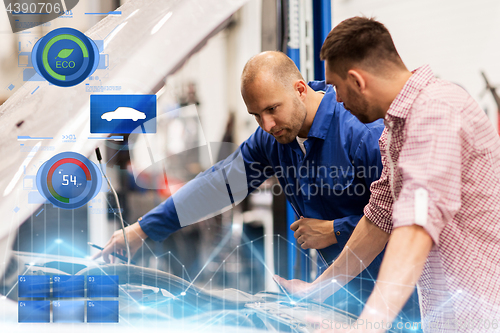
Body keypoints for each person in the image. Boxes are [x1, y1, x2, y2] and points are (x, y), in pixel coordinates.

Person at [93, 51, 387, 316]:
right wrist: (142, 229)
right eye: (256, 115)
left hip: (400, 291)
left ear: (300, 90)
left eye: (272, 109)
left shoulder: (361, 132)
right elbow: (218, 185)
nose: (267, 125)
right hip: (342, 292)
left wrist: (335, 230)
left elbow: (400, 215)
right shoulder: (273, 139)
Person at [275, 17, 500, 333]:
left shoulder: (437, 111)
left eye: (336, 88)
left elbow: (416, 225)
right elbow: (379, 218)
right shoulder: (395, 130)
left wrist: (367, 326)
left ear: (357, 80)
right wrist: (318, 290)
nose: (335, 100)